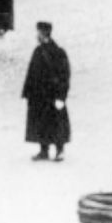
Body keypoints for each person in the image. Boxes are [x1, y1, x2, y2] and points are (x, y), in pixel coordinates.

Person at [21, 21, 71, 162]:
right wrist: (28, 92)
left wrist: (62, 96)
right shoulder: (38, 51)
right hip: (38, 96)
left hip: (52, 95)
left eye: (39, 33)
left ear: (45, 34)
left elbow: (64, 76)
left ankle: (60, 150)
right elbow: (31, 73)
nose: (37, 35)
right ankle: (44, 150)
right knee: (40, 122)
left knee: (56, 122)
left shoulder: (58, 52)